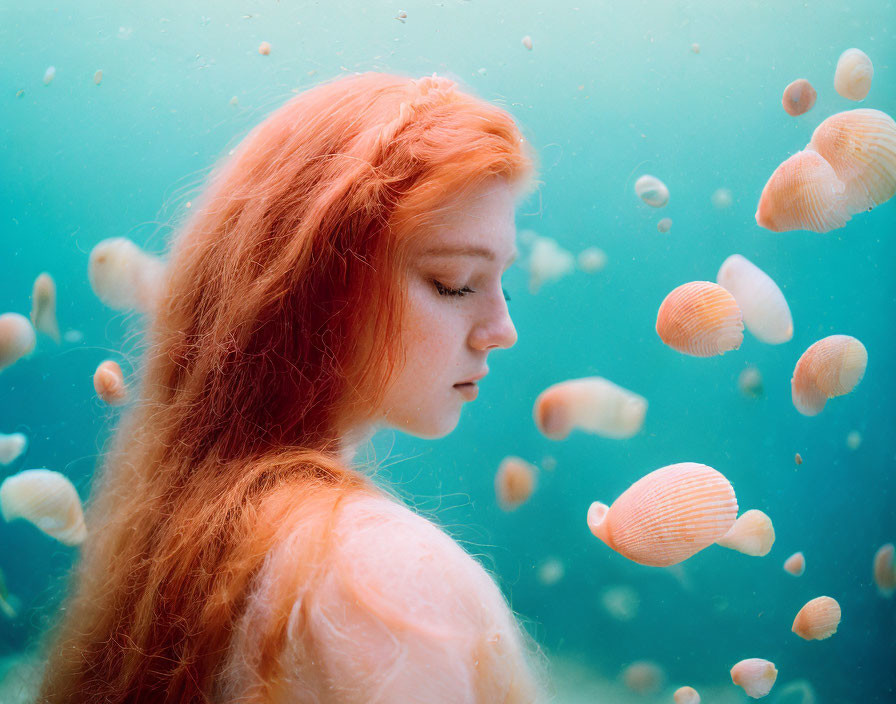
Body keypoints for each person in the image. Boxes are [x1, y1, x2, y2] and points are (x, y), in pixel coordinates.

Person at [36, 71, 544, 703]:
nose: (503, 329)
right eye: (456, 281)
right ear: (317, 284)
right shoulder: (384, 581)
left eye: (503, 283)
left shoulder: (179, 540)